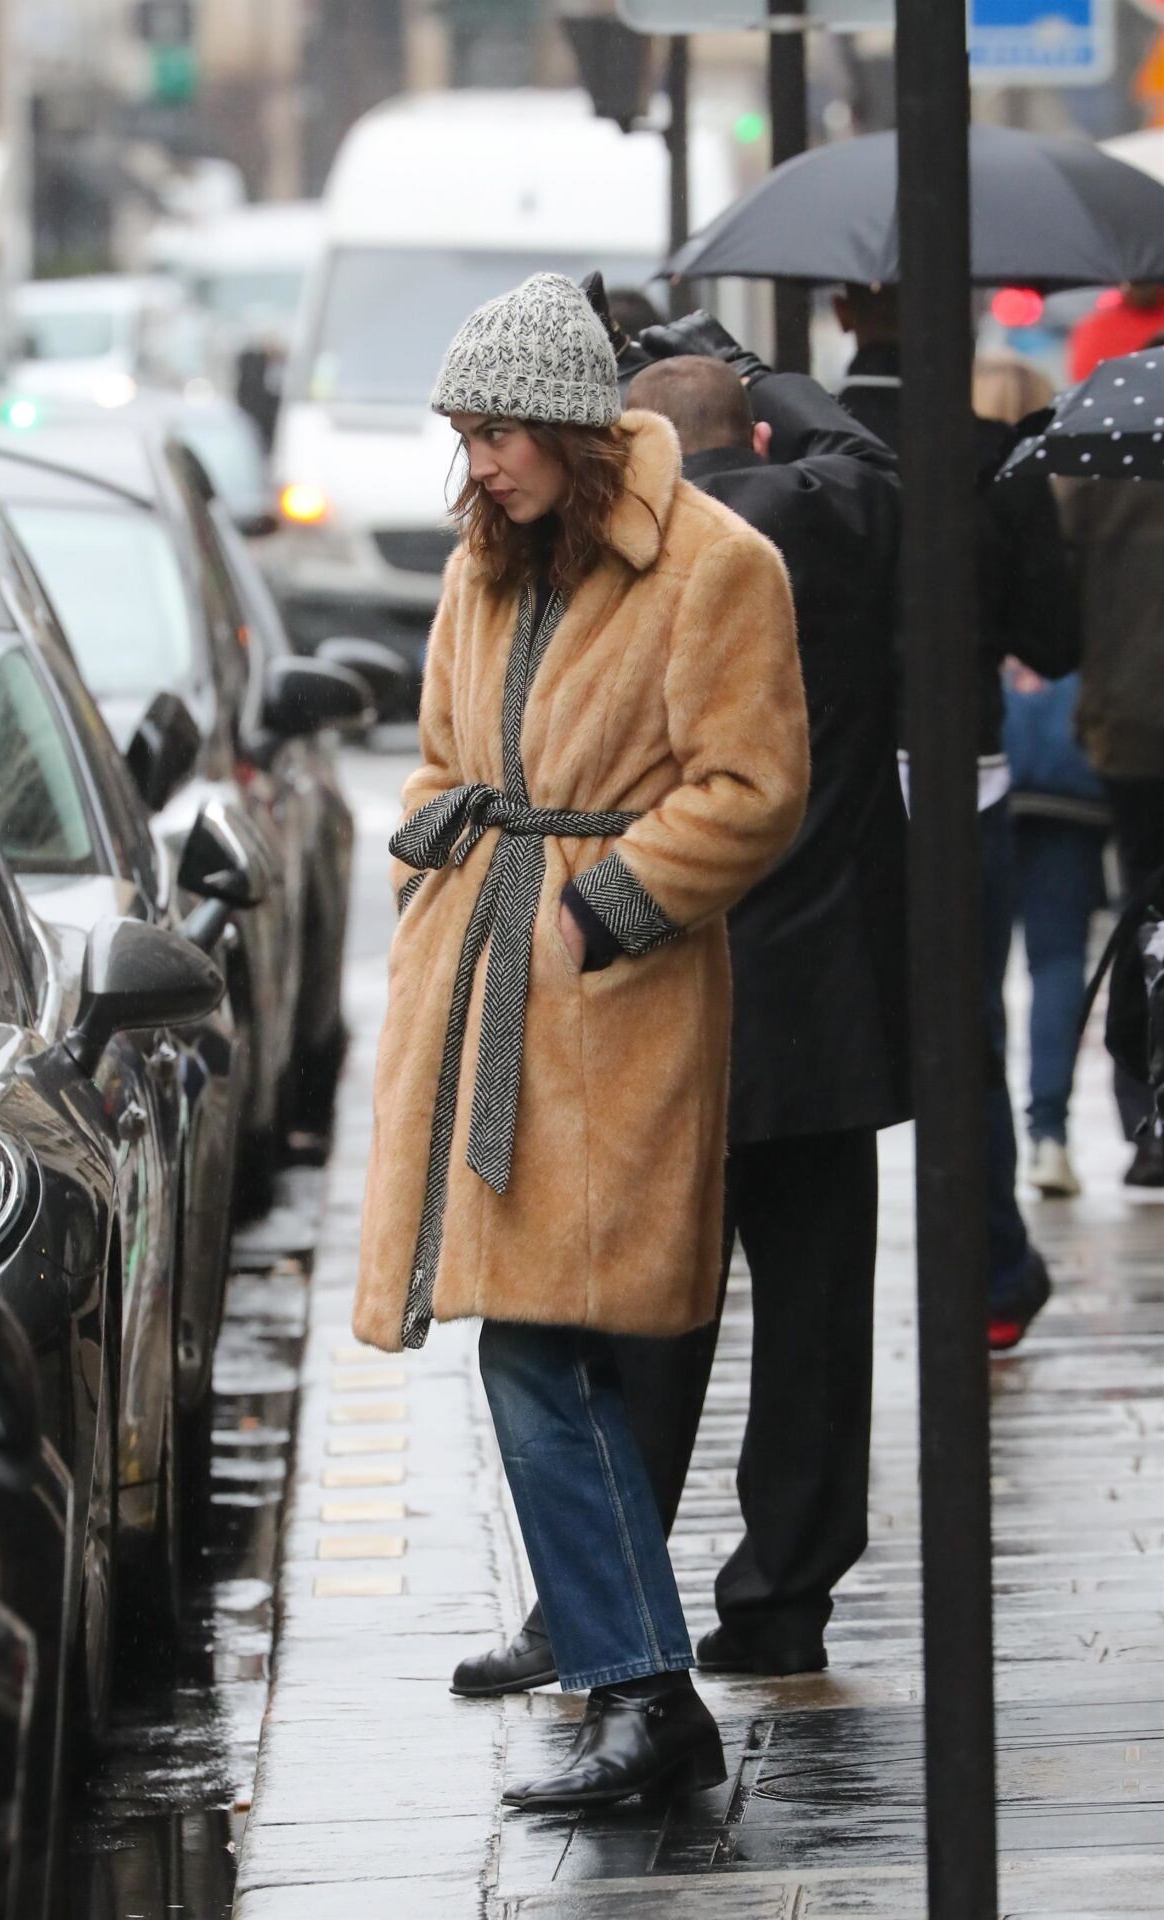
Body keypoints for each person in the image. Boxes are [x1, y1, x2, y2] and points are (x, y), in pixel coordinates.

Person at [353, 273, 809, 1808]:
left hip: (612, 1011)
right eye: (465, 436)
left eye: (498, 433)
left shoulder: (715, 566)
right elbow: (437, 761)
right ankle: (639, 1686)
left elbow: (753, 786)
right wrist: (438, 863)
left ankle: (644, 1690)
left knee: (545, 1349)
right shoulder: (482, 569)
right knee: (536, 1346)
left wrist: (604, 908)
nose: (478, 464)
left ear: (570, 426)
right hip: (485, 990)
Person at [448, 333, 907, 1697]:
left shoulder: (673, 561)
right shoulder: (838, 515)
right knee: (815, 1323)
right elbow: (865, 454)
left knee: (631, 1320)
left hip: (645, 982)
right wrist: (769, 379)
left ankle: (599, 1608)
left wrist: (583, 910)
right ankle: (782, 1601)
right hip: (819, 999)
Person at [836, 285, 1081, 1350]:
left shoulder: (804, 448)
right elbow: (1055, 641)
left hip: (833, 783)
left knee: (822, 1033)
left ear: (843, 308)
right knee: (967, 1032)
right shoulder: (992, 460)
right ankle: (990, 1272)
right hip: (963, 776)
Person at [974, 352, 1107, 1199]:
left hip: (977, 762)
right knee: (1059, 956)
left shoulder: (956, 490)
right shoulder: (1076, 493)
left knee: (975, 978)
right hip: (1070, 760)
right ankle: (1048, 1132)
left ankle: (987, 1153)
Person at [1059, 383, 1164, 1186]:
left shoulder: (1108, 457)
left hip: (1133, 721)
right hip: (1132, 717)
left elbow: (1061, 603)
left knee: (1146, 907)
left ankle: (1147, 1112)